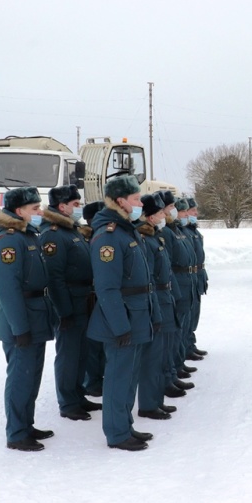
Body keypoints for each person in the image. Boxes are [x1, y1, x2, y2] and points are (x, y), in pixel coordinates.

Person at [87, 175, 154, 451]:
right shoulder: (109, 235)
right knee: (117, 378)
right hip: (121, 318)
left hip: (135, 315)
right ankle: (116, 433)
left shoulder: (127, 230)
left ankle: (125, 425)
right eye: (136, 199)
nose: (140, 203)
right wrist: (119, 325)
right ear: (120, 201)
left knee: (129, 377)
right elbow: (107, 287)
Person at [0, 186, 57, 451]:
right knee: (20, 377)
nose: (40, 212)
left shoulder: (28, 236)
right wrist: (20, 328)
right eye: (35, 208)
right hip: (22, 321)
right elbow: (8, 289)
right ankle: (16, 433)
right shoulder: (9, 241)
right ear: (19, 211)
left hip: (35, 316)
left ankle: (26, 425)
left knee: (32, 376)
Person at [39, 184, 100, 422]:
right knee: (69, 354)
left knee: (82, 353)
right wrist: (63, 311)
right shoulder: (53, 234)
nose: (79, 208)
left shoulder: (71, 230)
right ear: (62, 206)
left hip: (84, 299)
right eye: (75, 204)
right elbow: (54, 277)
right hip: (70, 302)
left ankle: (78, 394)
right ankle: (67, 401)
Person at [136, 193, 177, 420]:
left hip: (163, 296)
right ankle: (148, 404)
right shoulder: (145, 239)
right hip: (155, 298)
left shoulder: (155, 237)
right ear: (151, 217)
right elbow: (149, 276)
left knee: (160, 354)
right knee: (152, 357)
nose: (165, 215)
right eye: (161, 212)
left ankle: (155, 400)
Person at [157, 191, 195, 397]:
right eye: (169, 207)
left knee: (177, 332)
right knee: (168, 337)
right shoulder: (166, 233)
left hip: (180, 284)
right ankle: (168, 375)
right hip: (171, 286)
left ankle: (172, 371)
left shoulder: (175, 230)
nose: (171, 211)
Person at [81, 200, 105, 398]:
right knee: (92, 344)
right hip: (89, 296)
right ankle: (92, 381)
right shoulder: (87, 238)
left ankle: (98, 377)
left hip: (98, 295)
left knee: (101, 342)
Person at [183, 197, 209, 359]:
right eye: (193, 210)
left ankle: (190, 343)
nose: (195, 213)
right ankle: (185, 347)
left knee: (194, 314)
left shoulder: (193, 231)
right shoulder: (184, 231)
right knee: (187, 315)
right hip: (188, 275)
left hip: (197, 275)